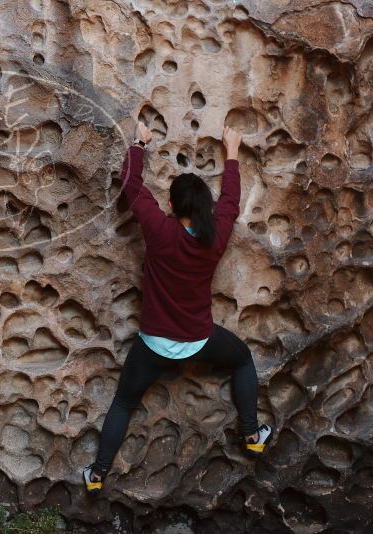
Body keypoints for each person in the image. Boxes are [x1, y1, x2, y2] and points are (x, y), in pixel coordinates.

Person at [82, 122, 274, 496]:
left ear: (170, 205)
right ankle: (252, 434)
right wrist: (232, 153)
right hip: (199, 340)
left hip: (153, 344)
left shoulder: (160, 230)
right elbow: (231, 203)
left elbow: (131, 185)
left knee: (123, 402)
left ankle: (98, 475)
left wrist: (139, 142)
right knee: (242, 358)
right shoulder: (213, 238)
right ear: (205, 207)